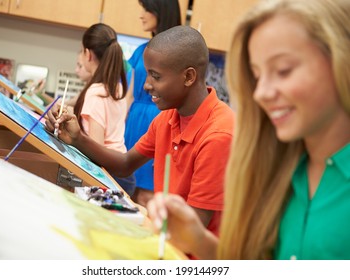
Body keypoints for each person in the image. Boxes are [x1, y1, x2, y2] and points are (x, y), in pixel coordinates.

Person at [147, 0, 350, 260]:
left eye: (283, 70)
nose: (262, 93)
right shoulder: (277, 171)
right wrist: (197, 239)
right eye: (257, 75)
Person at [46, 25, 234, 240]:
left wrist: (140, 216)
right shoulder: (166, 119)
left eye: (156, 77)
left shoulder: (218, 135)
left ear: (189, 76)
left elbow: (194, 228)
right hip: (167, 237)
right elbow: (126, 164)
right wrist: (77, 138)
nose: (146, 86)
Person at [59, 23, 136, 196]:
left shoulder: (96, 93)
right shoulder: (115, 89)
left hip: (109, 174)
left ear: (87, 53)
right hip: (121, 171)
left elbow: (96, 148)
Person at [125, 0, 182, 206]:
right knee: (126, 193)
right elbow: (129, 96)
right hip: (133, 123)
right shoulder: (141, 51)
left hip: (161, 121)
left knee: (148, 197)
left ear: (162, 11)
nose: (142, 15)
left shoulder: (176, 54)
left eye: (147, 9)